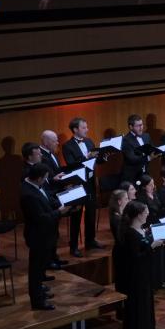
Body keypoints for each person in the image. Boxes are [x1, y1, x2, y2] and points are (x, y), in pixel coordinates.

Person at [20, 163, 71, 310]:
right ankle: (37, 301)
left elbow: (49, 201)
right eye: (45, 178)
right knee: (35, 270)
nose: (46, 181)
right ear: (38, 178)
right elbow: (41, 218)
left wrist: (63, 201)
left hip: (46, 235)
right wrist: (60, 212)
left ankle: (39, 292)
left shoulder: (37, 186)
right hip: (38, 236)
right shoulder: (28, 194)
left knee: (40, 268)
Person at [119, 200, 163, 329]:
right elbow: (135, 257)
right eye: (145, 212)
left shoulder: (141, 229)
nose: (148, 214)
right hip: (136, 278)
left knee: (147, 306)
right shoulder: (131, 234)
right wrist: (152, 246)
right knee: (139, 309)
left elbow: (144, 247)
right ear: (138, 215)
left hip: (145, 275)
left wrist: (155, 242)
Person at [61, 117, 105, 257]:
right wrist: (87, 157)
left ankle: (90, 240)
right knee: (76, 215)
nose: (87, 130)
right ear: (75, 129)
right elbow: (71, 165)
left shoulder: (89, 141)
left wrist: (103, 157)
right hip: (78, 184)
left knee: (91, 212)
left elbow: (96, 160)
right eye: (84, 127)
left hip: (90, 182)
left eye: (87, 127)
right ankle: (73, 246)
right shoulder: (67, 146)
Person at [135, 175, 165, 289]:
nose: (153, 186)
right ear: (144, 187)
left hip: (158, 225)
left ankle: (160, 279)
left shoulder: (155, 194)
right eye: (150, 185)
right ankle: (153, 281)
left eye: (153, 184)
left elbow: (160, 207)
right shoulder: (141, 198)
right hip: (148, 227)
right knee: (151, 253)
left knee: (159, 254)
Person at [120, 114, 156, 184]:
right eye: (138, 126)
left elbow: (152, 149)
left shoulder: (146, 136)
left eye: (142, 125)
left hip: (145, 174)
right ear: (131, 127)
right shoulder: (125, 140)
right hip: (132, 176)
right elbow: (132, 158)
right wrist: (148, 158)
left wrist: (157, 152)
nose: (141, 128)